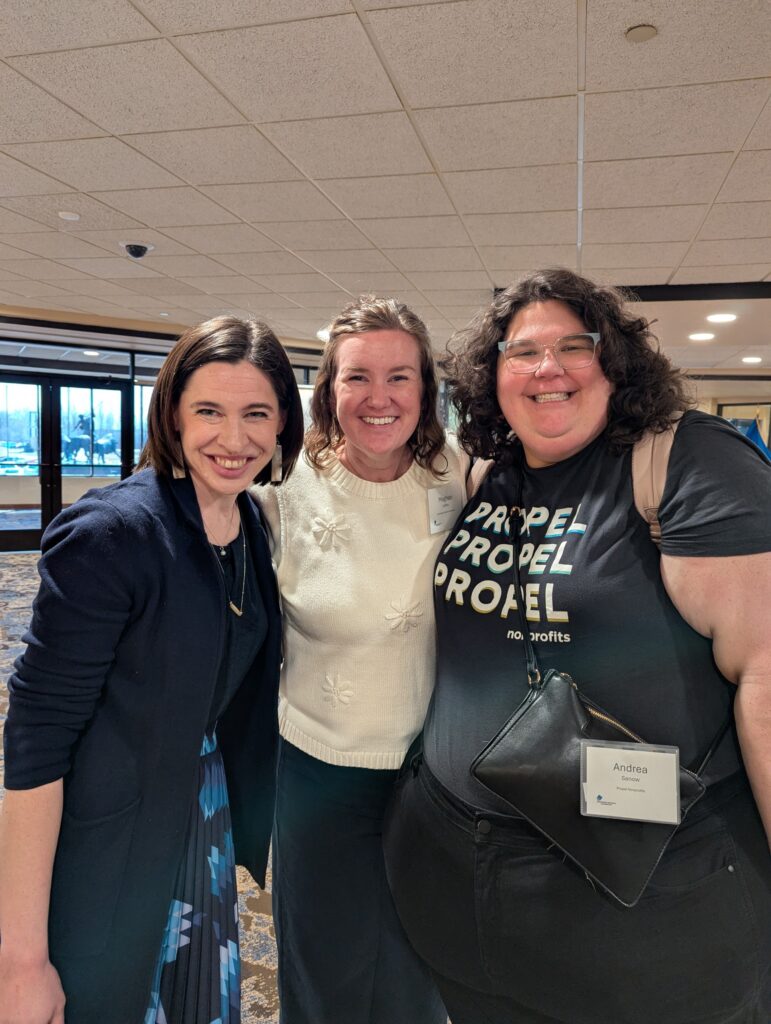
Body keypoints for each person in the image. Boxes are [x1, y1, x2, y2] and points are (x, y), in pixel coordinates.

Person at [383, 268, 771, 1024]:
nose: (547, 368)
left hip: (645, 899)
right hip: (457, 877)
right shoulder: (489, 473)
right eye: (520, 352)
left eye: (573, 345)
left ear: (615, 364)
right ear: (492, 376)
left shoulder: (685, 460)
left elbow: (764, 675)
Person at [0, 315, 303, 1024]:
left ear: (283, 420)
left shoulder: (246, 520)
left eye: (256, 413)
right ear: (170, 413)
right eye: (208, 412)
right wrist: (20, 960)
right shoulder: (113, 534)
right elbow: (36, 744)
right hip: (107, 840)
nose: (234, 440)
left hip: (198, 817)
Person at [256, 295, 463, 1024]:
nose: (379, 398)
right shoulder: (282, 488)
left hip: (434, 770)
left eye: (399, 377)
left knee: (420, 961)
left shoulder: (462, 479)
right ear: (329, 390)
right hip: (317, 766)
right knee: (323, 963)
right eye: (357, 378)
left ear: (425, 390)